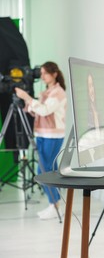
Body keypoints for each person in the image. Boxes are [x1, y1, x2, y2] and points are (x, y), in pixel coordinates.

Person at [15, 61, 67, 220]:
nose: (42, 76)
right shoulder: (47, 92)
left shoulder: (58, 92)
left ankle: (55, 204)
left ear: (54, 74)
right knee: (51, 170)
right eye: (41, 73)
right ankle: (55, 203)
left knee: (43, 171)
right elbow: (36, 111)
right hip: (42, 134)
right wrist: (30, 103)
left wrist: (27, 98)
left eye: (45, 73)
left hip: (52, 135)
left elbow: (44, 110)